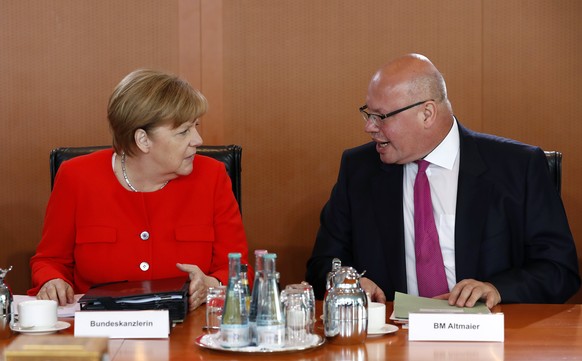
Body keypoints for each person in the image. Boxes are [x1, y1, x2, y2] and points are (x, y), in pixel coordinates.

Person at [306, 54, 580, 308]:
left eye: (381, 117)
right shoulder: (359, 169)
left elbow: (559, 270)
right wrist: (346, 281)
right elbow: (323, 263)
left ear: (427, 113)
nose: (369, 127)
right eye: (368, 113)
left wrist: (497, 289)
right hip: (392, 339)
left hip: (492, 340)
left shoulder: (518, 167)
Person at [28, 69, 251, 311]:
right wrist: (52, 281)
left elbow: (237, 268)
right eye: (184, 131)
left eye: (195, 126)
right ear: (143, 140)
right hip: (99, 329)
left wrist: (212, 284)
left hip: (186, 328)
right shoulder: (76, 177)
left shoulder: (212, 176)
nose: (198, 139)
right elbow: (50, 261)